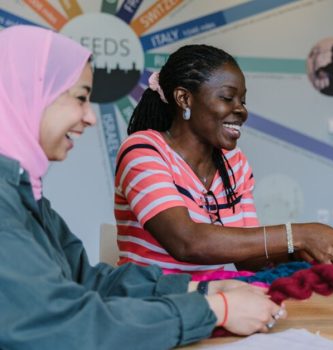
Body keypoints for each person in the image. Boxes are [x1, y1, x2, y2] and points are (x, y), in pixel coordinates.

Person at [0, 25, 284, 349]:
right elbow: (65, 326)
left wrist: (203, 291)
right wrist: (214, 308)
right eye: (80, 98)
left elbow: (89, 282)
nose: (90, 117)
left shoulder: (27, 196)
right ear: (24, 93)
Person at [116, 44, 333, 276]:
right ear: (184, 99)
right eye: (227, 98)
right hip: (150, 304)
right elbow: (186, 242)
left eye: (242, 100)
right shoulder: (143, 151)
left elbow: (250, 259)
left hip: (215, 300)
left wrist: (305, 254)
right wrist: (299, 235)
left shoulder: (234, 162)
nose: (241, 110)